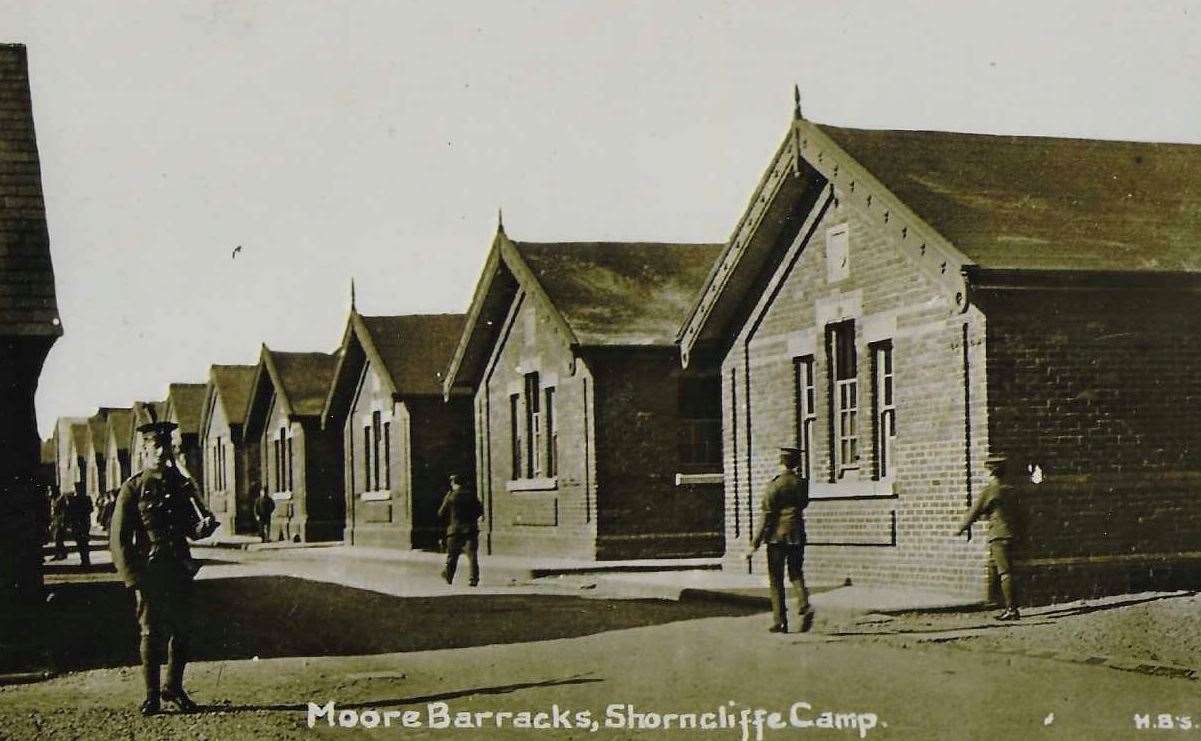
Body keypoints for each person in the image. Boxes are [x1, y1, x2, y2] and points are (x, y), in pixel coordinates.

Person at [111, 415, 216, 715]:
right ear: (145, 450)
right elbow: (119, 540)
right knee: (150, 632)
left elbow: (189, 527)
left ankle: (174, 687)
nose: (162, 451)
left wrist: (203, 528)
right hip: (149, 572)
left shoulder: (180, 486)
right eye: (156, 446)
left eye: (166, 445)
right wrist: (133, 579)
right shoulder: (133, 489)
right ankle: (151, 695)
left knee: (182, 630)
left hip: (178, 568)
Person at [749, 447, 812, 633]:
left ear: (781, 463)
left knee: (776, 579)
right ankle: (804, 602)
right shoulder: (802, 483)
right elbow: (803, 504)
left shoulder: (775, 485)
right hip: (797, 534)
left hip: (777, 537)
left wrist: (755, 543)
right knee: (796, 572)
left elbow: (766, 515)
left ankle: (780, 621)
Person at [956, 453, 1020, 621]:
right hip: (1012, 534)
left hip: (998, 535)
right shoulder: (1011, 489)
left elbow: (974, 512)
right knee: (1001, 568)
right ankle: (999, 602)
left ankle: (1011, 609)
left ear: (991, 472)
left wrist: (961, 528)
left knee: (1004, 572)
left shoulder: (990, 489)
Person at [437, 473, 483, 586]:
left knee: (452, 555)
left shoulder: (451, 496)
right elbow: (479, 510)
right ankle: (473, 579)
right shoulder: (471, 495)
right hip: (470, 529)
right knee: (472, 556)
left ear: (453, 483)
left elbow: (441, 513)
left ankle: (449, 576)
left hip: (454, 531)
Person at [65, 488, 93, 566]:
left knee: (81, 542)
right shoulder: (86, 498)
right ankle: (85, 559)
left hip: (78, 523)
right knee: (83, 542)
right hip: (83, 523)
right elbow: (91, 509)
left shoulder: (74, 499)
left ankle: (85, 560)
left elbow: (69, 511)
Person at [48, 490, 68, 561]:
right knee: (56, 538)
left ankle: (60, 554)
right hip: (54, 520)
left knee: (58, 538)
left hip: (59, 520)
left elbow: (63, 511)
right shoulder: (53, 499)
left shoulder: (60, 499)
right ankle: (62, 553)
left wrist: (62, 522)